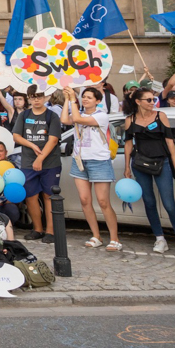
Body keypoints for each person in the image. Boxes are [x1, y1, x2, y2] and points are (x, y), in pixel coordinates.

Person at [124, 88, 175, 255]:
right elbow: (128, 145)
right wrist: (126, 167)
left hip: (162, 161)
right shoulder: (130, 119)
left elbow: (170, 142)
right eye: (148, 100)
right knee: (149, 202)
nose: (153, 103)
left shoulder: (161, 116)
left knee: (169, 203)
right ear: (138, 102)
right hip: (140, 164)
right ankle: (159, 238)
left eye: (153, 99)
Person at [63, 87, 120, 251]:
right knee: (85, 200)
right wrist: (67, 98)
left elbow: (78, 119)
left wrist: (73, 100)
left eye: (89, 97)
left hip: (99, 161)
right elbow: (65, 119)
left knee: (103, 202)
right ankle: (96, 235)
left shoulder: (101, 115)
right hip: (80, 160)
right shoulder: (79, 113)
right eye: (84, 97)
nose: (86, 99)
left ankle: (114, 238)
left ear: (97, 101)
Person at [11, 87, 62, 242]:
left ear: (45, 97)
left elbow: (53, 139)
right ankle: (37, 229)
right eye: (33, 97)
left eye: (39, 97)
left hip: (50, 162)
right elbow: (16, 136)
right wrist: (32, 145)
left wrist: (40, 158)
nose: (36, 100)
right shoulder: (24, 115)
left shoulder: (52, 116)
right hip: (27, 162)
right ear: (29, 98)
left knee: (49, 196)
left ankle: (50, 231)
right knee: (31, 196)